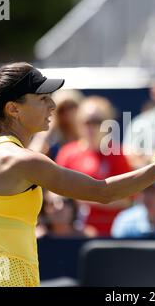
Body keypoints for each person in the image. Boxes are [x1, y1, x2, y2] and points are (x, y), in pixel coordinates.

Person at [0, 62, 155, 287]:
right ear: (13, 109)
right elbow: (103, 192)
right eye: (42, 99)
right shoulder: (23, 160)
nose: (52, 105)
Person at [55, 96, 133, 236]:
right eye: (86, 121)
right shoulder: (67, 153)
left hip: (110, 234)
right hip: (73, 235)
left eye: (97, 121)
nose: (91, 127)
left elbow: (127, 200)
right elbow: (55, 192)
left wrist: (83, 197)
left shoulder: (116, 154)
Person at [29, 89, 83, 160]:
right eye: (62, 110)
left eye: (71, 107)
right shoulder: (53, 137)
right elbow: (32, 157)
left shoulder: (89, 129)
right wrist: (49, 126)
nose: (67, 113)